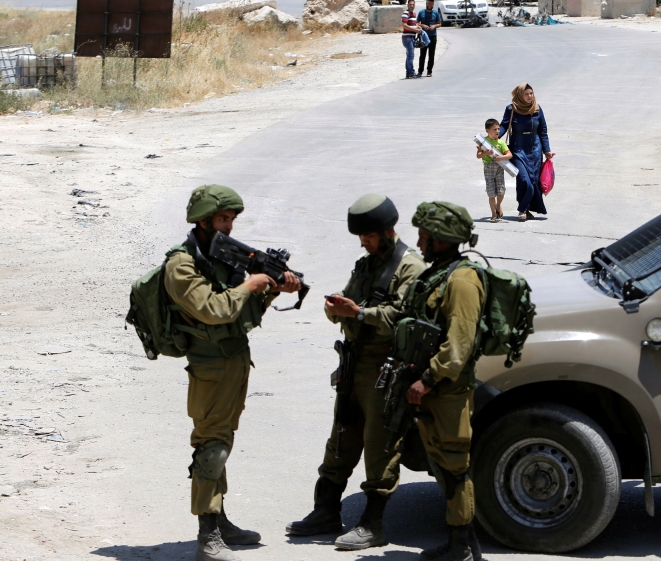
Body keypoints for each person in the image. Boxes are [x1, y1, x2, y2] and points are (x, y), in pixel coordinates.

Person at [164, 184, 302, 561]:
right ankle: (207, 536)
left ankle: (219, 519)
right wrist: (250, 285)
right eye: (223, 219)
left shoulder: (219, 256)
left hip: (235, 359)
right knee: (211, 445)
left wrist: (273, 288)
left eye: (231, 220)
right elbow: (213, 310)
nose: (228, 226)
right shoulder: (182, 264)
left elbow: (243, 314)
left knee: (222, 441)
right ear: (203, 219)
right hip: (209, 366)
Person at [286, 194, 425, 550]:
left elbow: (403, 317)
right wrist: (338, 307)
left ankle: (373, 524)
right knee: (341, 439)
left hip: (385, 369)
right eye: (361, 237)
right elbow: (348, 300)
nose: (364, 243)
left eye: (368, 236)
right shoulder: (366, 265)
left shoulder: (410, 267)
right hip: (354, 363)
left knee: (380, 445)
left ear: (387, 230)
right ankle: (326, 511)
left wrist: (360, 314)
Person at [402, 202, 485, 561]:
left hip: (448, 390)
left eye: (424, 237)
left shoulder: (463, 280)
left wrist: (429, 379)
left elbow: (459, 343)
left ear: (442, 239)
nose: (419, 244)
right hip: (434, 389)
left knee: (455, 469)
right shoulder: (440, 272)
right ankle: (463, 543)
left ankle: (461, 547)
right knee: (442, 464)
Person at [499, 83, 554, 222]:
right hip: (518, 148)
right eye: (526, 94)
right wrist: (492, 139)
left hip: (535, 149)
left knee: (534, 181)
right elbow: (504, 126)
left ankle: (525, 209)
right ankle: (522, 208)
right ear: (520, 95)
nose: (530, 96)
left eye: (531, 93)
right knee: (524, 179)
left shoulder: (537, 109)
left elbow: (543, 131)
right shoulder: (512, 109)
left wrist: (546, 150)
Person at [475, 118, 511, 223]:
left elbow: (509, 154)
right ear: (487, 130)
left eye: (498, 129)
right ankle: (494, 215)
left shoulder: (501, 142)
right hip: (488, 168)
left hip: (499, 168)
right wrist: (487, 153)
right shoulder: (483, 142)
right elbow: (478, 155)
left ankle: (498, 206)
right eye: (494, 129)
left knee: (501, 192)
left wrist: (502, 158)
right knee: (491, 192)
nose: (497, 131)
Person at [417, 0, 442, 77]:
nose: (430, 5)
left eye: (431, 3)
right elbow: (417, 23)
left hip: (433, 36)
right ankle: (420, 71)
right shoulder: (421, 12)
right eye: (429, 3)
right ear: (426, 3)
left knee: (431, 55)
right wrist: (423, 26)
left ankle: (429, 71)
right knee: (422, 55)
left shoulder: (436, 13)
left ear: (433, 4)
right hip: (424, 36)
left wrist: (434, 26)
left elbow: (439, 24)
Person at [402, 0, 420, 79]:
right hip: (407, 37)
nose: (412, 6)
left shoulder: (414, 14)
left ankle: (408, 73)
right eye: (410, 4)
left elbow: (414, 23)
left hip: (412, 37)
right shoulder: (405, 14)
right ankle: (411, 73)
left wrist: (418, 26)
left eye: (413, 4)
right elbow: (404, 25)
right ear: (408, 5)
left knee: (409, 56)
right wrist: (415, 30)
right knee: (411, 56)